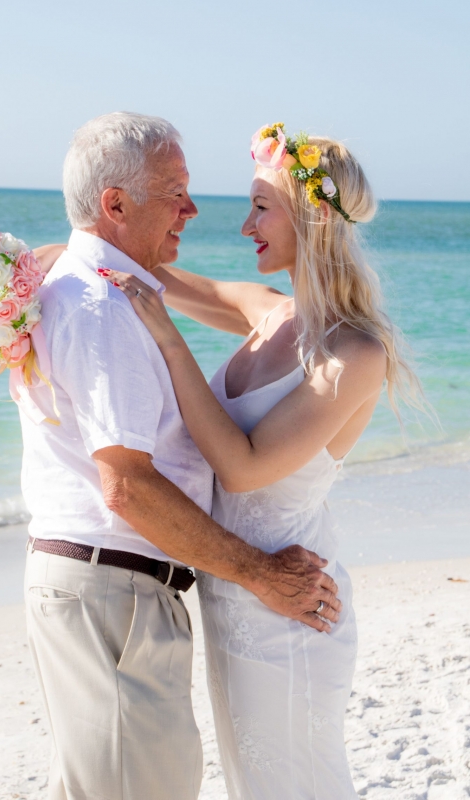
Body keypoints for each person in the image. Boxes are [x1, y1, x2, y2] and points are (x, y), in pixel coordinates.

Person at [95, 123, 424, 798]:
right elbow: (155, 274)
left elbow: (243, 467)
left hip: (292, 604)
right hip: (233, 593)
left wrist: (167, 340)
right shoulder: (269, 313)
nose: (245, 224)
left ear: (312, 216)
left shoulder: (354, 354)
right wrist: (45, 259)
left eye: (260, 206)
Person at [22, 112, 341, 800]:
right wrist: (260, 573)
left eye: (260, 206)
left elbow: (198, 291)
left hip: (133, 589)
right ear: (115, 204)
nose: (198, 212)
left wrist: (73, 249)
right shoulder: (106, 307)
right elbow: (127, 489)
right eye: (177, 192)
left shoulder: (111, 287)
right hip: (117, 587)